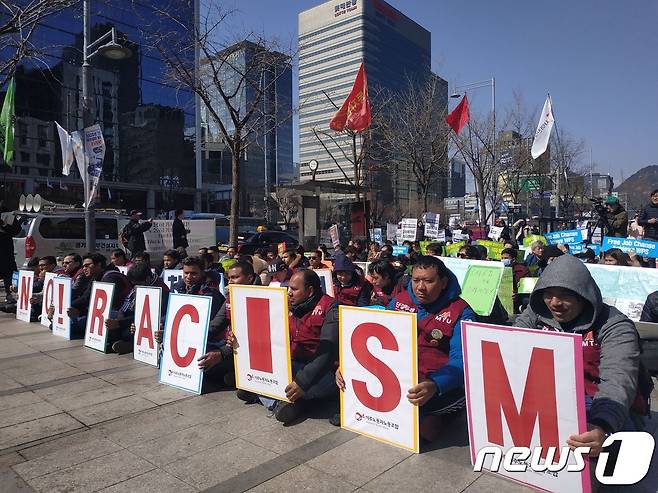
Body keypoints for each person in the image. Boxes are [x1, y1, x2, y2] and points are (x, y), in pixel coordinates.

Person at [514, 255, 643, 461]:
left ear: (584, 294)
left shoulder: (615, 325)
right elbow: (511, 346)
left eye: (565, 295)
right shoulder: (536, 312)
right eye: (548, 294)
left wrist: (603, 425)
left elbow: (618, 379)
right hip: (549, 397)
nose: (555, 303)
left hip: (599, 403)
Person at [337, 256, 477, 441]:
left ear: (443, 282)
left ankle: (442, 416)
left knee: (424, 429)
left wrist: (435, 384)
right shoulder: (399, 301)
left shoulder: (462, 311)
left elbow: (463, 359)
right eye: (416, 280)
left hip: (438, 383)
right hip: (401, 380)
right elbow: (377, 337)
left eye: (428, 281)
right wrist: (347, 363)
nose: (420, 287)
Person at [236, 270, 339, 424]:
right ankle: (283, 401)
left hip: (323, 373)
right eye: (289, 288)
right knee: (263, 376)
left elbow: (327, 351)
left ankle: (268, 397)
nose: (289, 293)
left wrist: (302, 382)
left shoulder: (330, 307)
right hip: (293, 365)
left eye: (294, 289)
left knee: (284, 386)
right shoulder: (286, 305)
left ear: (310, 291)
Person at [202, 261, 261, 386]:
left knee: (210, 367)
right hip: (230, 346)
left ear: (250, 278)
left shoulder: (264, 299)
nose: (230, 282)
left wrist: (222, 353)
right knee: (202, 360)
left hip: (253, 351)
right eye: (229, 278)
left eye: (235, 277)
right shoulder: (231, 297)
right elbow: (215, 325)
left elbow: (254, 340)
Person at [107, 262, 168, 354]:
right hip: (133, 317)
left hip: (149, 323)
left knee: (127, 331)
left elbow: (151, 317)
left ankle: (131, 344)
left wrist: (121, 323)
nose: (135, 287)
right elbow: (128, 302)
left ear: (147, 279)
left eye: (137, 284)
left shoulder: (161, 292)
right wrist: (121, 313)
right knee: (110, 317)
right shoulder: (138, 286)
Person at [0, 214, 24, 304]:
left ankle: (9, 294)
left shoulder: (7, 214)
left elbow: (16, 230)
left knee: (8, 273)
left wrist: (4, 225)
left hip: (5, 251)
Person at [500, 248, 531, 314]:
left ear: (513, 259)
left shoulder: (522, 270)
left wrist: (517, 294)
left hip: (518, 298)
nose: (503, 260)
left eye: (506, 258)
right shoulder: (499, 268)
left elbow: (525, 288)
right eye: (502, 258)